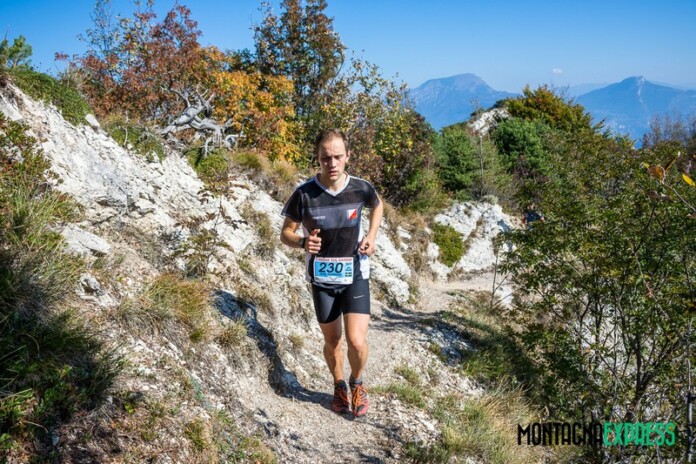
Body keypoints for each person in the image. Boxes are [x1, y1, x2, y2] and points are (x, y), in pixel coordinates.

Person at [280, 129, 383, 418]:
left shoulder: (361, 188)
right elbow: (285, 233)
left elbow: (377, 206)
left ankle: (357, 382)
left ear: (348, 156)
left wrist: (371, 236)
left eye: (338, 156)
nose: (332, 163)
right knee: (333, 341)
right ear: (318, 158)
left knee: (357, 341)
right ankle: (339, 386)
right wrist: (302, 242)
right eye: (326, 158)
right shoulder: (304, 193)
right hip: (322, 278)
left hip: (355, 273)